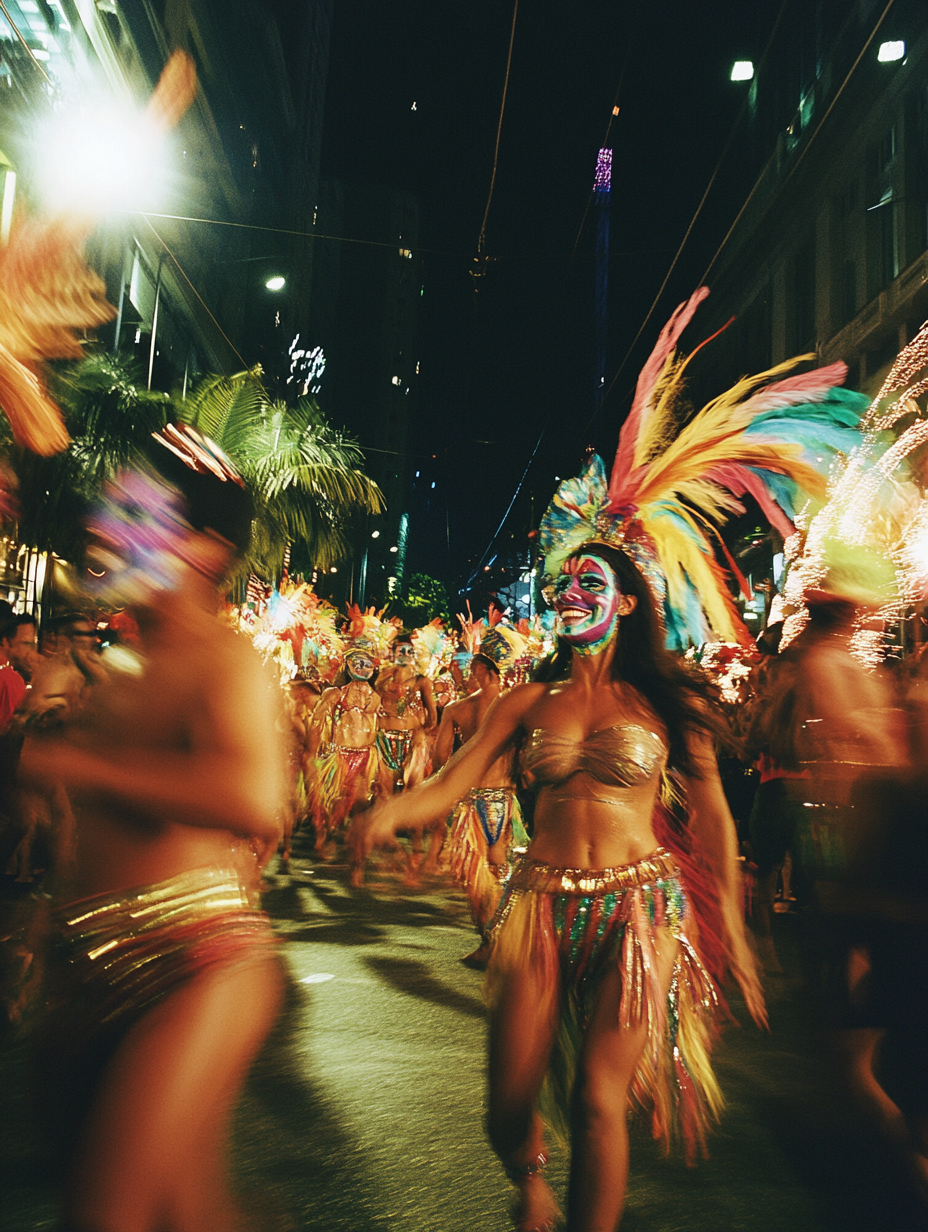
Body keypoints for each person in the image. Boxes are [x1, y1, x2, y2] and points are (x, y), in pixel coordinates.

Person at [352, 284, 871, 1229]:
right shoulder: (527, 701)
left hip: (639, 909)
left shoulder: (664, 701)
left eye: (591, 581)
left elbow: (711, 814)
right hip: (538, 906)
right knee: (504, 1107)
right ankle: (527, 1175)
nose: (571, 593)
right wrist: (392, 810)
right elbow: (453, 783)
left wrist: (738, 932)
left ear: (627, 601)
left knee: (600, 1100)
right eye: (565, 582)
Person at [19, 431, 288, 1232]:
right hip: (93, 971)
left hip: (196, 971)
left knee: (105, 1215)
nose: (107, 528)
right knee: (188, 1212)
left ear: (206, 549)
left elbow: (250, 795)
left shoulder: (225, 662)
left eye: (137, 512)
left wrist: (81, 768)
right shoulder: (125, 665)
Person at [431, 636, 528, 964]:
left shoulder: (457, 709)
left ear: (482, 670)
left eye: (473, 668)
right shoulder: (518, 707)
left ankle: (490, 941)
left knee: (475, 876)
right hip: (505, 800)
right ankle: (506, 939)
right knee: (502, 869)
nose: (470, 674)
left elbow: (440, 758)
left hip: (471, 803)